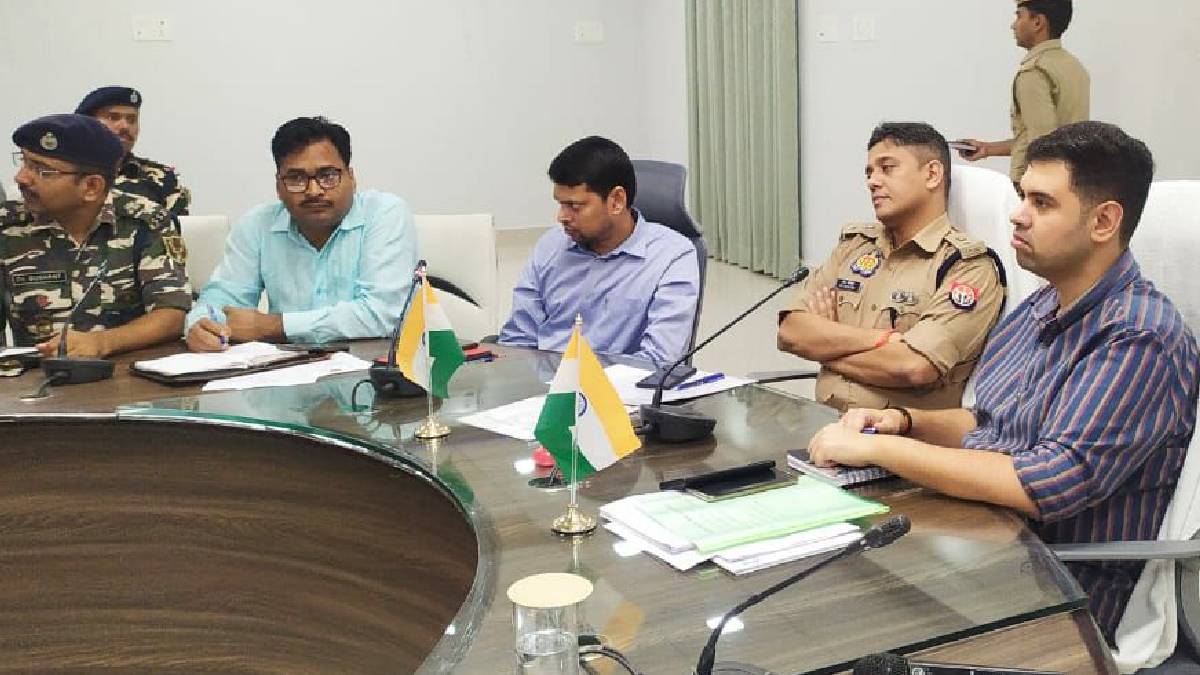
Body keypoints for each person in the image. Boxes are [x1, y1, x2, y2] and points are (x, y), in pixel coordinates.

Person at [809, 121, 1200, 645]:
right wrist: (902, 423)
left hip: (1059, 591)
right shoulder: (1044, 302)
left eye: (1041, 202)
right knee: (827, 578)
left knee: (840, 619)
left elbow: (1045, 482)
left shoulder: (1139, 336)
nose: (1017, 215)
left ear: (1104, 221)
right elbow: (989, 423)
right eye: (1021, 197)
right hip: (983, 546)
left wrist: (878, 450)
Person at [777, 122, 1005, 412]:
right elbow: (790, 332)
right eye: (869, 172)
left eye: (887, 168)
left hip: (898, 435)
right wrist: (882, 340)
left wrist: (824, 345)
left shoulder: (967, 267)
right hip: (823, 422)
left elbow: (912, 367)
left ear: (932, 174)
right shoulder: (855, 247)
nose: (872, 181)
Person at [185, 116, 416, 350]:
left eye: (328, 176)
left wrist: (275, 326)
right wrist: (201, 325)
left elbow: (384, 314)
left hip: (372, 365)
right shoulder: (258, 225)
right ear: (278, 186)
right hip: (285, 366)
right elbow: (221, 300)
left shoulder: (384, 214)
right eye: (296, 178)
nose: (314, 191)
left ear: (351, 178)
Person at [0, 114, 192, 355]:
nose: (21, 178)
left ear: (91, 187)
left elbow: (172, 314)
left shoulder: (144, 222)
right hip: (36, 372)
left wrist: (103, 342)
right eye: (24, 162)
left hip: (125, 370)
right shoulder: (7, 227)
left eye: (42, 170)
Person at [498, 136, 699, 366]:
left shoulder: (671, 257)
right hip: (543, 383)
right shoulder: (552, 245)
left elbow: (658, 361)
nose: (561, 217)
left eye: (574, 206)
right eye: (560, 204)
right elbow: (518, 339)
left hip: (617, 386)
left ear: (616, 201)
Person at [956, 0, 1089, 185]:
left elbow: (1043, 143)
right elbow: (1041, 137)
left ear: (1038, 22)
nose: (1013, 25)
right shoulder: (1073, 66)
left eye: (1019, 16)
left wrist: (1032, 193)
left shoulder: (1034, 71)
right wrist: (987, 149)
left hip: (1036, 185)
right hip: (1070, 182)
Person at [76, 86, 191, 219]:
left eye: (131, 120)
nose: (125, 126)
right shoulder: (64, 173)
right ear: (87, 123)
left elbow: (180, 229)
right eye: (113, 117)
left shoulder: (162, 179)